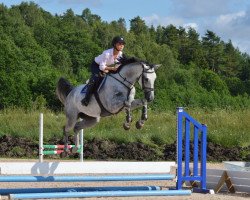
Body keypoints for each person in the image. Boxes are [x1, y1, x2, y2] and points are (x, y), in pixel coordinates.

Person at [81, 36, 126, 106]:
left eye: (123, 44)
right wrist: (112, 69)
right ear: (114, 44)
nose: (121, 46)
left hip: (107, 67)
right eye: (119, 44)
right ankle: (86, 99)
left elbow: (120, 64)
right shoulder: (107, 53)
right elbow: (102, 67)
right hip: (96, 65)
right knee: (97, 77)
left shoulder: (121, 54)